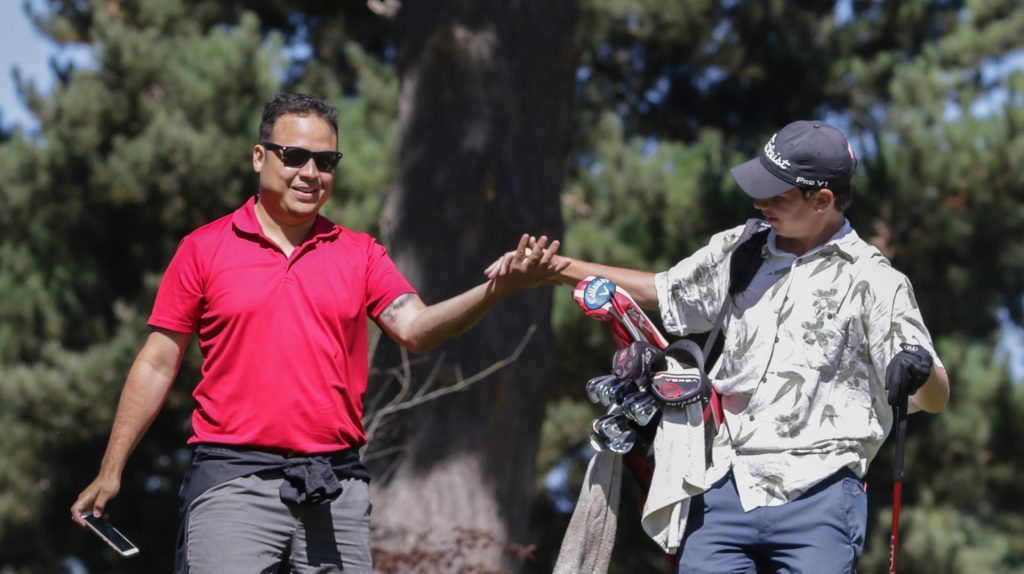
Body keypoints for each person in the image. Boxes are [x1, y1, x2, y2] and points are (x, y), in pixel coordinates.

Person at [71, 92, 566, 573]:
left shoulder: (360, 254)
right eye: (295, 156)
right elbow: (157, 363)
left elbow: (416, 328)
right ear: (260, 157)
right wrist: (111, 469)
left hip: (336, 487)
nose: (311, 173)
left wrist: (497, 290)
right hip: (233, 482)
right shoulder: (204, 248)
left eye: (326, 161)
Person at [492, 120, 949, 573]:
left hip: (821, 496)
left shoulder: (875, 280)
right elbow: (659, 291)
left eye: (776, 195)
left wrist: (922, 370)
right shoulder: (743, 248)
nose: (759, 203)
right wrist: (552, 269)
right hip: (723, 488)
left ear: (822, 200)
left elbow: (935, 397)